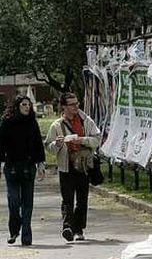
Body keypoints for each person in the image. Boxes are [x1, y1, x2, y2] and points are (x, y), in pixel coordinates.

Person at [45, 93, 100, 242]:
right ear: (64, 106)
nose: (76, 106)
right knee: (67, 199)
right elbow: (48, 147)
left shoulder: (86, 121)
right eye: (72, 104)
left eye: (77, 103)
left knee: (82, 200)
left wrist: (82, 139)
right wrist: (57, 144)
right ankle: (67, 226)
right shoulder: (57, 125)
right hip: (66, 165)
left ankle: (79, 229)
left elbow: (97, 139)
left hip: (83, 164)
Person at [0, 95, 45, 246]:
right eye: (24, 105)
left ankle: (26, 235)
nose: (27, 107)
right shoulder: (7, 122)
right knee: (14, 201)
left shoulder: (32, 123)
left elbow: (38, 144)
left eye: (29, 105)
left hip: (28, 167)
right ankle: (14, 229)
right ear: (17, 106)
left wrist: (41, 165)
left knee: (27, 203)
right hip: (12, 166)